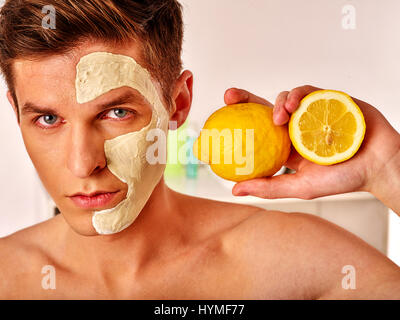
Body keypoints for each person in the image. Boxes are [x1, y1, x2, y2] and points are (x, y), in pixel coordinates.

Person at [0, 0, 399, 299]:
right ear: (16, 112)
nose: (83, 163)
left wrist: (388, 168)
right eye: (48, 119)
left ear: (178, 104)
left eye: (116, 112)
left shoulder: (296, 262)